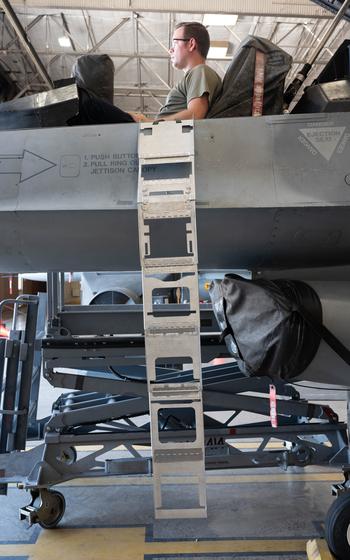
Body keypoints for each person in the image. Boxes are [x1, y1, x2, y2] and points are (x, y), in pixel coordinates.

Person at [70, 22, 222, 126]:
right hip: (156, 132)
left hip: (157, 133)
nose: (170, 49)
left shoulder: (200, 71)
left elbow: (195, 114)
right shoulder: (196, 75)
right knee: (86, 107)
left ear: (191, 44)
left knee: (85, 102)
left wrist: (150, 123)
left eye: (174, 43)